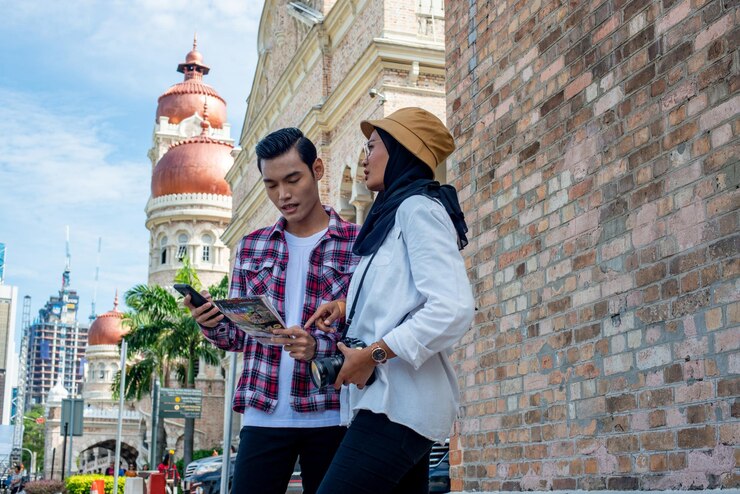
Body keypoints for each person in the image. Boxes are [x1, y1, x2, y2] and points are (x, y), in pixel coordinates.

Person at [306, 107, 475, 494]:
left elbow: (452, 307)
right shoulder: (394, 214)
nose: (364, 159)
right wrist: (347, 307)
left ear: (400, 152)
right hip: (384, 402)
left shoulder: (419, 209)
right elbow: (401, 290)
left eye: (372, 146)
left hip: (400, 404)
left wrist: (375, 353)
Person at [185, 128, 360, 494]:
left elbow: (368, 329)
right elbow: (236, 337)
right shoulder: (252, 246)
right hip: (262, 412)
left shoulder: (357, 243)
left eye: (293, 179)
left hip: (330, 413)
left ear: (318, 169)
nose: (283, 194)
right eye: (271, 184)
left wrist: (318, 349)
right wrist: (211, 322)